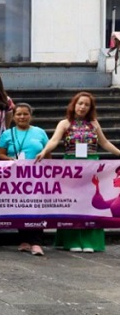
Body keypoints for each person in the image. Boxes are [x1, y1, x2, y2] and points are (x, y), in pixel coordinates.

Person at [39, 92, 120, 253]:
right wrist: (44, 151)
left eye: (86, 105)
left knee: (91, 204)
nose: (82, 107)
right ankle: (72, 240)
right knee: (73, 203)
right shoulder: (65, 123)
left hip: (91, 166)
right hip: (71, 166)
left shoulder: (94, 124)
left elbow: (104, 142)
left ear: (90, 108)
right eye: (80, 103)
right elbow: (54, 140)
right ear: (74, 105)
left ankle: (90, 241)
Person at [0, 103, 49, 256]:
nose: (22, 117)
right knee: (20, 206)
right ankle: (24, 240)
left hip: (37, 176)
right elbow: (0, 154)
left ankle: (37, 242)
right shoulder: (7, 134)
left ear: (30, 116)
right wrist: (10, 159)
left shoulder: (40, 132)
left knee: (37, 207)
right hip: (16, 177)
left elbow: (48, 152)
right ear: (13, 117)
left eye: (25, 114)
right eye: (18, 114)